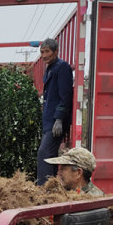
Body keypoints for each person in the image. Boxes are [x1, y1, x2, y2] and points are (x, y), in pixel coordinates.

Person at [37, 38, 74, 185]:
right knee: (50, 154)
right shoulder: (50, 69)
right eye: (42, 52)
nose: (44, 55)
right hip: (48, 121)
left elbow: (65, 96)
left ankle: (43, 188)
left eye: (47, 52)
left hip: (55, 122)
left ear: (55, 52)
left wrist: (59, 119)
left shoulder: (62, 67)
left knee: (44, 153)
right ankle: (52, 186)